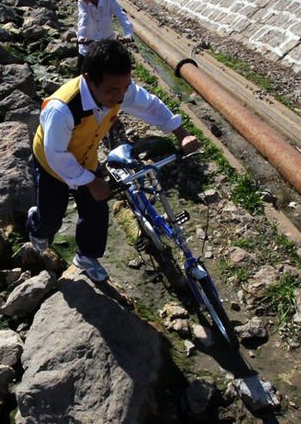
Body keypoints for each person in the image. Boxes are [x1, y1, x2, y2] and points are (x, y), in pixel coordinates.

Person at [27, 39, 201, 282]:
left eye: (124, 88)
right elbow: (57, 154)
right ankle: (36, 221)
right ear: (88, 79)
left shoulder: (118, 89)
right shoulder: (62, 108)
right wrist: (91, 181)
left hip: (85, 157)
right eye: (112, 90)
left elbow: (150, 105)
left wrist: (180, 133)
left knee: (97, 210)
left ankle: (87, 256)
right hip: (51, 164)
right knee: (50, 219)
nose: (120, 96)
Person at [72, 0, 135, 75]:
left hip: (106, 44)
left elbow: (121, 16)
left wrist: (128, 34)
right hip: (88, 45)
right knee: (81, 75)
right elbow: (83, 18)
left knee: (109, 75)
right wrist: (82, 37)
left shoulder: (109, 0)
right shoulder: (82, 2)